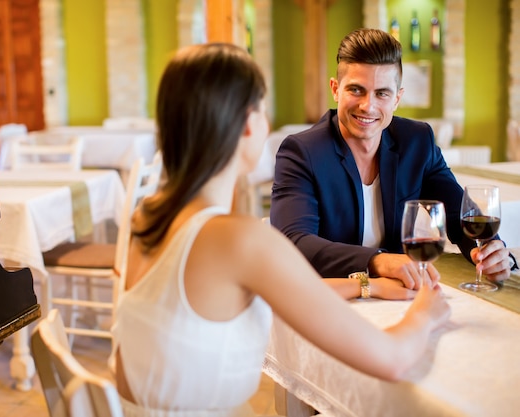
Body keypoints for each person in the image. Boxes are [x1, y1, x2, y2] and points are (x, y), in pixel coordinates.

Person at [111, 42, 450, 417]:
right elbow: (391, 359)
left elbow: (281, 289)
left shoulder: (147, 219)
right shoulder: (240, 240)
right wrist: (425, 313)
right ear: (247, 125)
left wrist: (365, 284)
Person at [271, 28, 517, 289]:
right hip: (331, 298)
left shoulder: (417, 141)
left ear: (397, 98)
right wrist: (378, 261)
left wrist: (490, 252)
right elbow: (294, 241)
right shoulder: (301, 152)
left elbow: (459, 214)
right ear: (335, 89)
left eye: (382, 93)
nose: (368, 106)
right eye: (356, 90)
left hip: (403, 293)